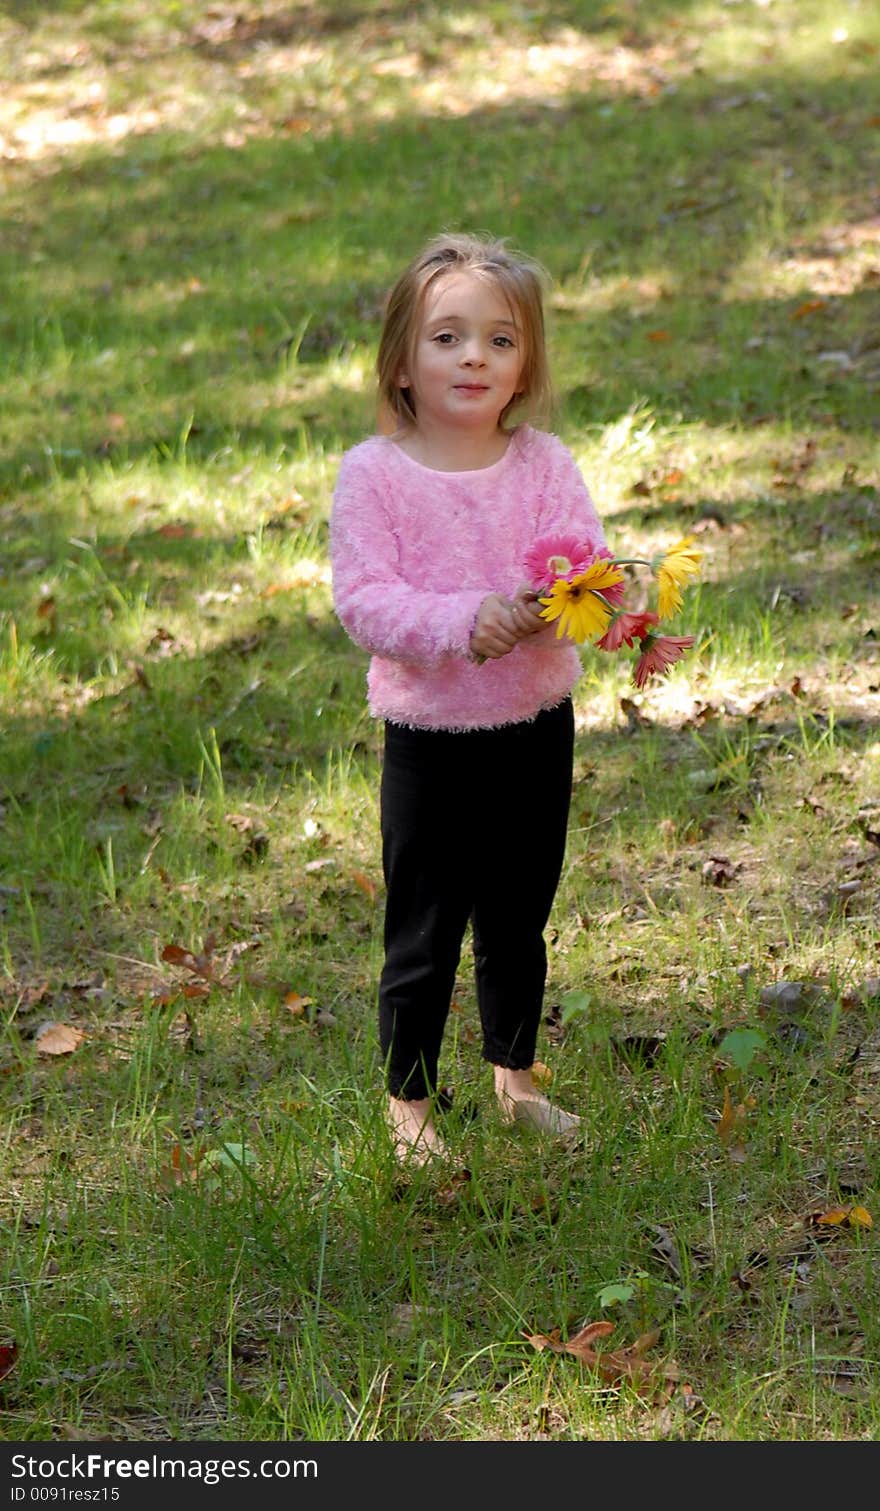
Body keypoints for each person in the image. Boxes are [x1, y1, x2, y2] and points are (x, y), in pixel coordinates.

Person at [330, 232, 610, 1165]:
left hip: (534, 726)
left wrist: (598, 602)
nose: (474, 358)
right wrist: (463, 618)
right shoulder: (376, 475)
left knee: (519, 913)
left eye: (499, 339)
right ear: (403, 362)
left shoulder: (542, 463)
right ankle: (408, 1105)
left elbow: (581, 566)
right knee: (425, 926)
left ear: (525, 361)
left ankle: (514, 1078)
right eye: (448, 337)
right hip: (432, 736)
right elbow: (365, 601)